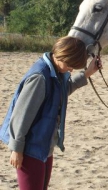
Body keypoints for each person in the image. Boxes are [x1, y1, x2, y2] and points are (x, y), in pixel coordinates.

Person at [0, 36, 101, 190]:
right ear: (63, 56)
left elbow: (61, 92)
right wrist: (16, 149)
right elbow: (21, 115)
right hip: (30, 150)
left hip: (44, 146)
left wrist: (87, 73)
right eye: (70, 65)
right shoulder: (40, 77)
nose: (71, 69)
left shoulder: (55, 72)